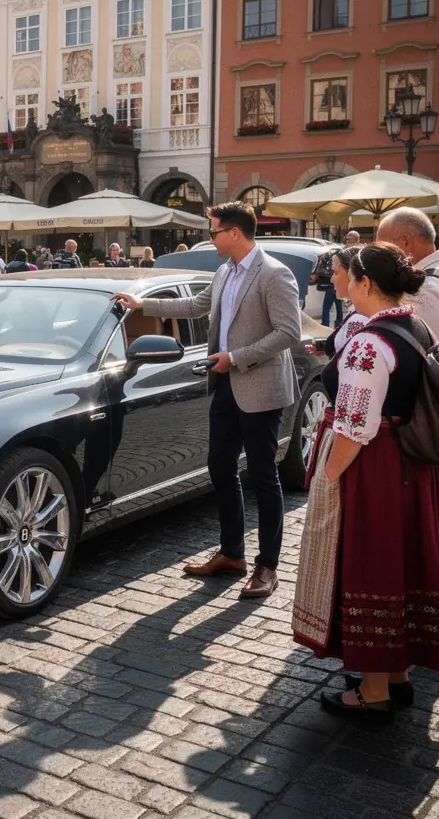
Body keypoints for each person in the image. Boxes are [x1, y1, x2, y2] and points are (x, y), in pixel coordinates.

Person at [292, 243, 439, 721]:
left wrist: (327, 475)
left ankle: (372, 690)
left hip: (377, 468)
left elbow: (354, 427)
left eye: (349, 278)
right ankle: (398, 675)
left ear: (365, 283)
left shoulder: (369, 343)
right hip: (411, 465)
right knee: (402, 562)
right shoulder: (414, 324)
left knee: (371, 564)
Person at [111, 201, 302, 599]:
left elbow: (288, 333)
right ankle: (232, 553)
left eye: (213, 232)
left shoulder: (274, 274)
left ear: (234, 233)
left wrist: (236, 357)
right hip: (226, 386)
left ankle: (268, 566)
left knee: (264, 476)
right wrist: (143, 304)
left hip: (260, 385)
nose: (209, 238)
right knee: (219, 466)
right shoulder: (224, 271)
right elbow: (195, 306)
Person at [376, 207, 439, 626]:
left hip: (425, 419)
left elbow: (416, 362)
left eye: (386, 244)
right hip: (438, 415)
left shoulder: (428, 290)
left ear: (408, 244)